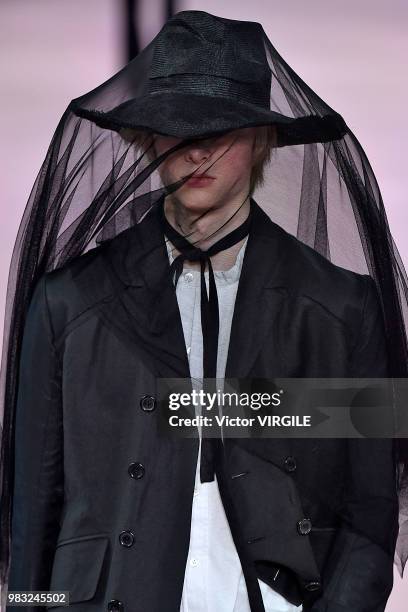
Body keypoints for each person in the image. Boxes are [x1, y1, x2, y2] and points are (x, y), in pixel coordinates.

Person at [2, 9, 408, 612]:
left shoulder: (341, 309)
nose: (198, 153)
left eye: (221, 129)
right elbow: (33, 514)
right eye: (178, 127)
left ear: (263, 136)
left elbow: (370, 511)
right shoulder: (70, 303)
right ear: (147, 136)